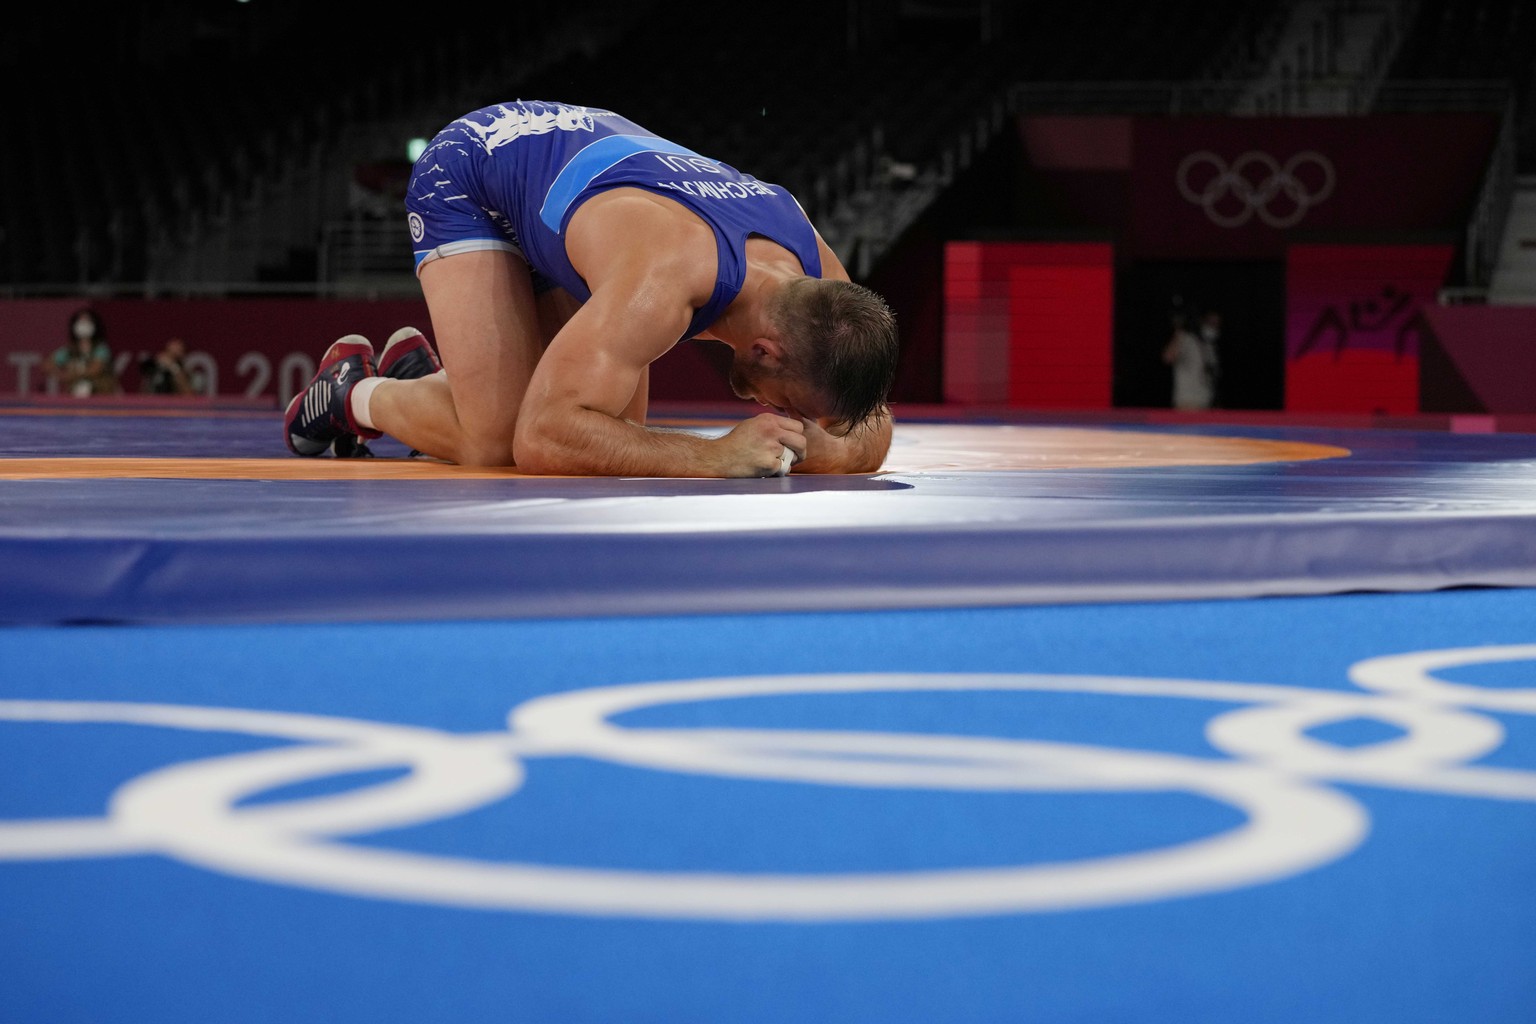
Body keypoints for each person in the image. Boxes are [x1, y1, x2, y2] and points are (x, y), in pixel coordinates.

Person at [284, 99, 899, 477]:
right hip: (479, 168)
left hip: (583, 184)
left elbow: (871, 430)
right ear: (766, 351)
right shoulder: (663, 281)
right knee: (499, 440)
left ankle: (432, 384)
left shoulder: (818, 285)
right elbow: (545, 437)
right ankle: (355, 392)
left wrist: (816, 440)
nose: (783, 416)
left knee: (611, 440)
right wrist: (713, 457)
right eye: (789, 407)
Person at [48, 307, 119, 397]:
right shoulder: (70, 350)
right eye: (81, 322)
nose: (84, 325)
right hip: (74, 394)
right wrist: (60, 374)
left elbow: (95, 369)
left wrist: (73, 375)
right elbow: (48, 365)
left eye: (87, 321)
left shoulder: (101, 349)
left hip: (99, 394)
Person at [1162, 309, 1219, 411]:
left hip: (1205, 405)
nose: (1214, 326)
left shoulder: (1209, 346)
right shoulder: (1187, 339)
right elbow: (1168, 357)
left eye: (1217, 323)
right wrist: (1178, 332)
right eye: (1211, 322)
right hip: (1187, 405)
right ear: (1201, 321)